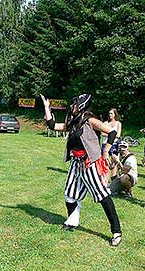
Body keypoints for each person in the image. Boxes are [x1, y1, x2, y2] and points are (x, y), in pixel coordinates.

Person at [41, 93, 122, 246]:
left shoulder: (90, 120)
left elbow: (112, 132)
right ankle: (73, 220)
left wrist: (105, 152)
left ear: (82, 105)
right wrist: (47, 107)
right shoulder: (72, 121)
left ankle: (116, 231)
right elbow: (52, 125)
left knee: (102, 195)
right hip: (76, 163)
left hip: (90, 163)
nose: (72, 106)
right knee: (69, 194)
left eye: (75, 104)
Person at [101, 108, 122, 180]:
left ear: (115, 114)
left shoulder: (118, 123)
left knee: (114, 161)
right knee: (105, 161)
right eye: (109, 113)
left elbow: (118, 135)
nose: (110, 115)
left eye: (111, 113)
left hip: (114, 144)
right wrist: (112, 135)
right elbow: (102, 133)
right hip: (105, 144)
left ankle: (114, 178)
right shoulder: (105, 123)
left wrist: (109, 134)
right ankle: (105, 179)